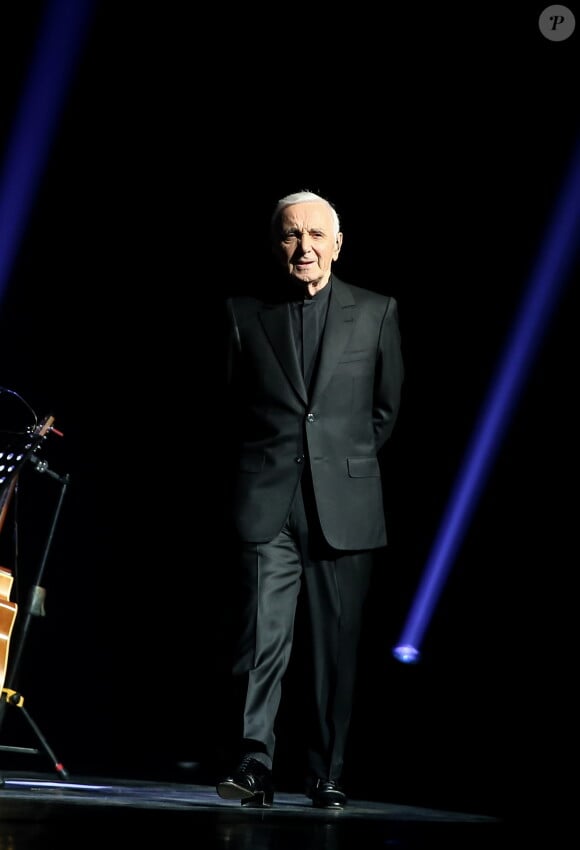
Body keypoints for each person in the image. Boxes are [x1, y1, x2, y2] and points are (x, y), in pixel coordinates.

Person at [215, 189, 404, 810]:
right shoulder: (245, 314)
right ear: (277, 246)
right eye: (292, 235)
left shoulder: (377, 311)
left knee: (335, 647)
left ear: (338, 244)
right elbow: (230, 408)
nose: (305, 247)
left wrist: (335, 465)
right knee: (260, 640)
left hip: (342, 508)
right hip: (267, 500)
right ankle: (252, 764)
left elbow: (384, 411)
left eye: (317, 235)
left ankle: (327, 771)